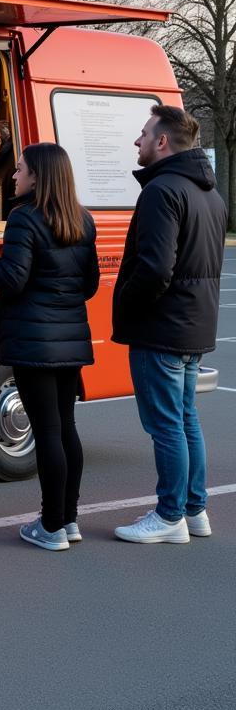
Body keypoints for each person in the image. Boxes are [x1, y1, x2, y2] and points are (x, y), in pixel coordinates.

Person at [0, 143, 99, 551]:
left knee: (48, 431)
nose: (13, 176)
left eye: (20, 170)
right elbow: (88, 285)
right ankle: (68, 519)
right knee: (65, 428)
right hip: (70, 339)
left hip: (33, 342)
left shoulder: (24, 219)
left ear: (37, 176)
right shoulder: (82, 220)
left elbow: (12, 278)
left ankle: (51, 526)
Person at [111, 105, 227, 544]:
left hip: (162, 327)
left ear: (162, 142)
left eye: (143, 134)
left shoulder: (162, 191)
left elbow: (156, 268)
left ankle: (169, 515)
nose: (136, 142)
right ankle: (194, 510)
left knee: (166, 425)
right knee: (184, 420)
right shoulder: (210, 193)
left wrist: (128, 302)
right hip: (193, 325)